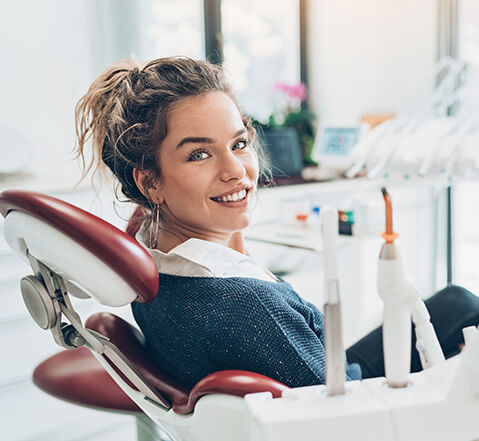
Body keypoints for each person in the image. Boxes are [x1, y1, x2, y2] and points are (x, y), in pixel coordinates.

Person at [75, 56, 479, 389]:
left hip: (322, 371)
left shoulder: (149, 258)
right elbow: (342, 413)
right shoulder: (250, 308)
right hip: (353, 397)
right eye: (199, 155)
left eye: (239, 144)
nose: (237, 171)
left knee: (457, 302)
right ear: (150, 182)